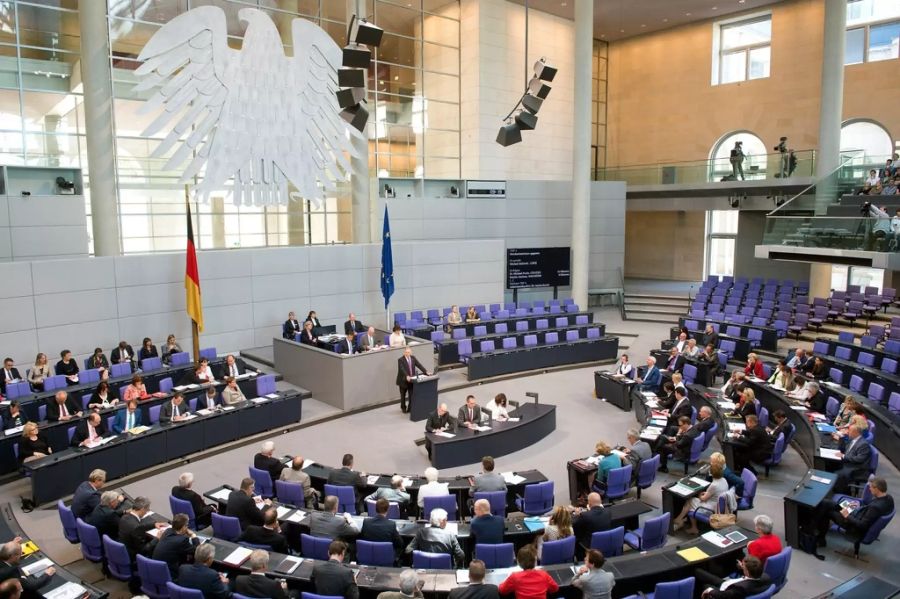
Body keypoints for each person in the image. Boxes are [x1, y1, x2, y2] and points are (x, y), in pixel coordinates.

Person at [812, 477, 894, 548]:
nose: (869, 489)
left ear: (877, 489)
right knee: (827, 503)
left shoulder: (875, 508)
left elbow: (862, 525)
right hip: (857, 513)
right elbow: (868, 512)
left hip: (852, 525)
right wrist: (857, 506)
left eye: (871, 487)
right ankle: (813, 525)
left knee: (828, 512)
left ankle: (820, 538)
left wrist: (847, 515)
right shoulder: (888, 498)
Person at [673, 462, 729, 535]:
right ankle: (683, 521)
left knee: (690, 500)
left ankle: (681, 521)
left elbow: (703, 499)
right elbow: (714, 494)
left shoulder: (714, 485)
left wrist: (700, 493)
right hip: (717, 505)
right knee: (691, 502)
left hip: (710, 508)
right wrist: (705, 493)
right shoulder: (724, 480)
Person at [152, 513, 200, 578]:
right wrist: (194, 536)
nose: (187, 527)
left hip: (155, 568)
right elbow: (197, 549)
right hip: (169, 573)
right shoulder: (182, 540)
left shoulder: (167, 531)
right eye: (187, 525)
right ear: (183, 527)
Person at [699, 555, 771, 599]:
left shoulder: (741, 588)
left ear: (748, 572)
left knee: (705, 585)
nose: (742, 566)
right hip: (729, 584)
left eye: (743, 566)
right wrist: (742, 568)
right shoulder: (765, 576)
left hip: (725, 591)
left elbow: (723, 596)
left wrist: (710, 590)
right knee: (700, 573)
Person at [833, 423, 872, 494]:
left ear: (856, 432)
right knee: (831, 464)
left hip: (858, 468)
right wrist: (841, 438)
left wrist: (844, 456)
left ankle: (843, 493)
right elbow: (843, 450)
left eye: (849, 430)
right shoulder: (852, 439)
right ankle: (835, 488)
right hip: (849, 462)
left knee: (840, 474)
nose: (847, 432)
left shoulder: (863, 444)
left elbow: (859, 459)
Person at [397, 347, 428, 413]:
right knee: (403, 396)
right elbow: (402, 369)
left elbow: (419, 365)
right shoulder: (400, 360)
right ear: (404, 352)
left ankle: (410, 408)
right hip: (403, 381)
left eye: (409, 352)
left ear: (411, 352)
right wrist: (407, 376)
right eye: (406, 352)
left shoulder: (413, 358)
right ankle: (403, 407)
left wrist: (426, 371)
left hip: (411, 380)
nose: (407, 353)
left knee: (411, 395)